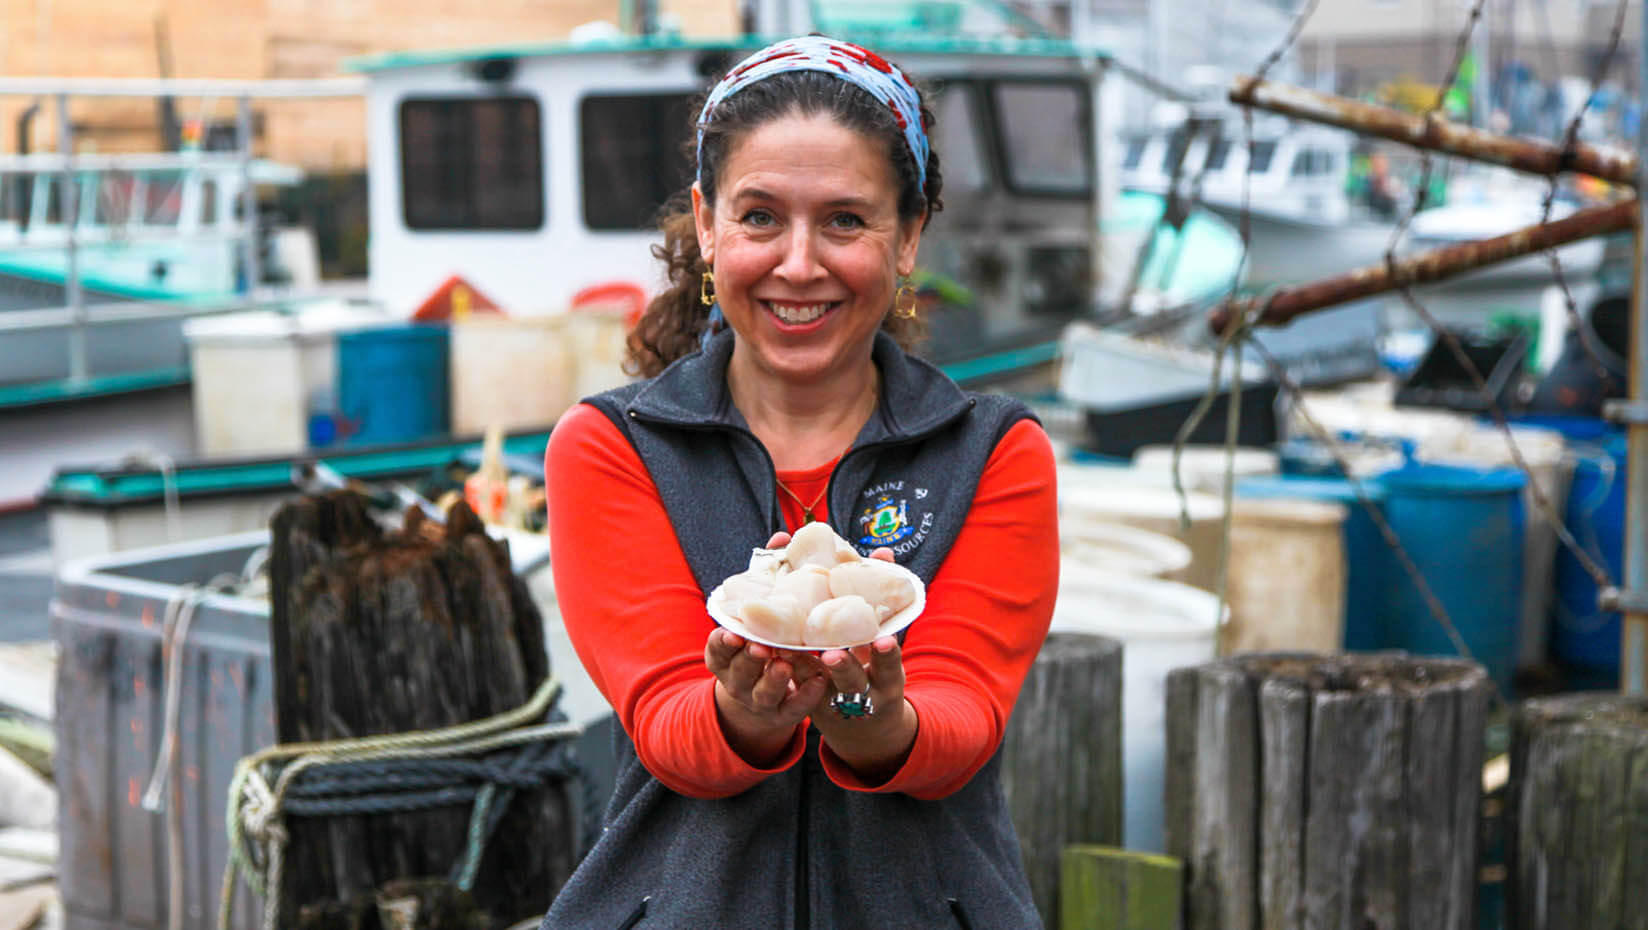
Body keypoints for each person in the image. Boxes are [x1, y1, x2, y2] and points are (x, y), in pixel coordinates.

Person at [541, 35, 1059, 928]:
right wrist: (748, 711)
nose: (799, 264)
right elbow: (672, 729)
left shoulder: (993, 453)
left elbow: (961, 723)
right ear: (708, 225)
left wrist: (868, 716)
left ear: (910, 238)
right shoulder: (609, 447)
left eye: (846, 221)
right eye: (760, 217)